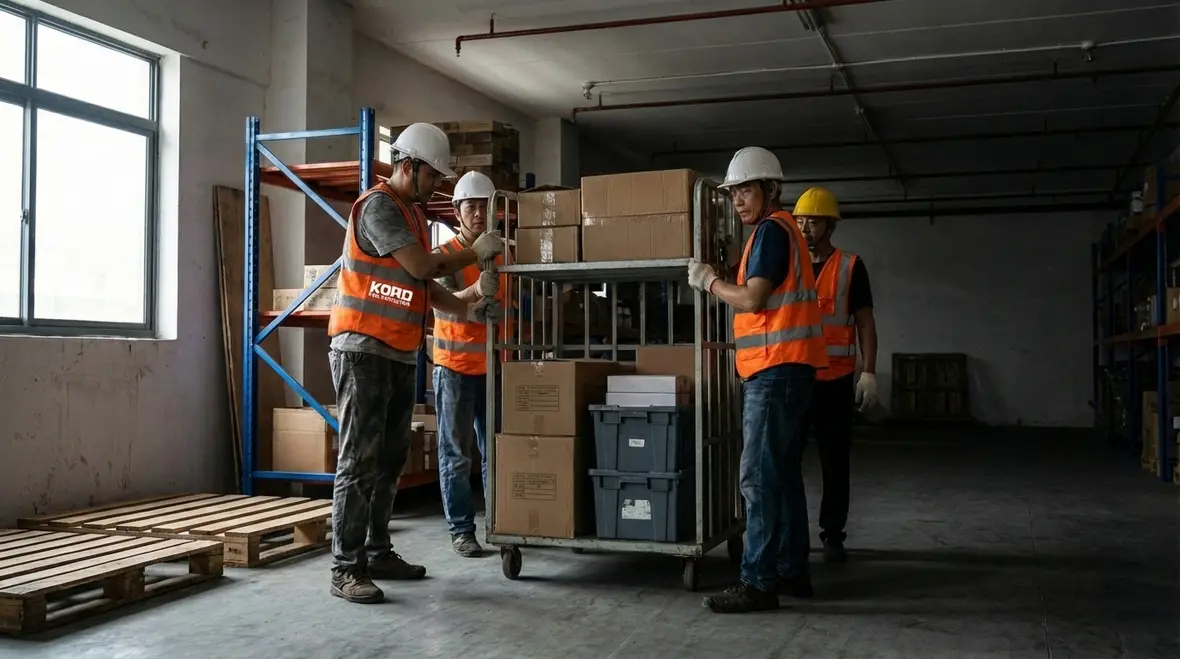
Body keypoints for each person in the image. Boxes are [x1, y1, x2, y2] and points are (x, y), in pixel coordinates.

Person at [326, 122, 505, 604]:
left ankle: (379, 551)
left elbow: (424, 290)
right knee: (359, 462)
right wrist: (474, 250)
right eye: (434, 176)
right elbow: (424, 269)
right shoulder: (380, 206)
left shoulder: (411, 213)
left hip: (400, 352)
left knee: (389, 461)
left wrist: (467, 307)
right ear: (409, 166)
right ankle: (346, 567)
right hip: (362, 349)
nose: (439, 186)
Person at [687, 146, 828, 613]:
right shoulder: (779, 232)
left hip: (774, 369)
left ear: (770, 189)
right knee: (783, 475)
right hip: (790, 369)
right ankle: (791, 571)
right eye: (732, 193)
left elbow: (751, 301)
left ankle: (757, 583)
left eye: (745, 189)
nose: (737, 201)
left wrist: (708, 280)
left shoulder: (771, 231)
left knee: (758, 479)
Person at [793, 187, 878, 563]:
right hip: (793, 378)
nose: (806, 227)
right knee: (785, 459)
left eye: (813, 220)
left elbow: (865, 323)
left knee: (835, 460)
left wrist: (869, 372)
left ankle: (832, 534)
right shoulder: (786, 264)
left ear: (831, 225)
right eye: (800, 221)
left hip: (835, 380)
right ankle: (789, 532)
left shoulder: (850, 266)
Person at [432, 171, 511, 558]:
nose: (479, 214)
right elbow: (443, 299)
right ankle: (462, 530)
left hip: (495, 368)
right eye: (472, 207)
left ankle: (498, 524)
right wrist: (477, 291)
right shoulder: (445, 256)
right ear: (457, 211)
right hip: (455, 368)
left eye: (485, 206)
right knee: (456, 455)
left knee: (496, 453)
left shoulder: (508, 253)